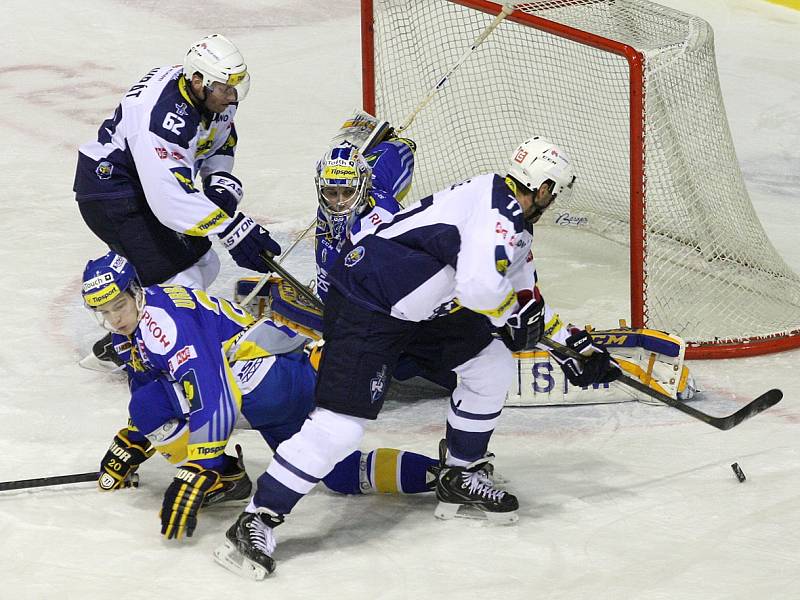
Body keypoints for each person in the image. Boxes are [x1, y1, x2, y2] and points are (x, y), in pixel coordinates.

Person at [215, 136, 622, 578]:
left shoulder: (508, 212)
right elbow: (481, 291)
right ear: (543, 188)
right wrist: (514, 319)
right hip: (366, 303)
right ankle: (258, 517)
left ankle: (460, 474)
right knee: (340, 427)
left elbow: (522, 291)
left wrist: (572, 343)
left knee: (491, 363)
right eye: (553, 190)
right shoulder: (498, 213)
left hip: (421, 312)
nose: (553, 198)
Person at [81, 252, 437, 542]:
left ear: (135, 291)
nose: (114, 319)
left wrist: (200, 466)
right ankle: (442, 474)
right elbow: (154, 382)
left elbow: (212, 394)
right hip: (280, 383)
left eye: (119, 306)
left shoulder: (162, 323)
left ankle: (224, 477)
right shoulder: (132, 327)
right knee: (338, 474)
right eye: (105, 312)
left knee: (148, 406)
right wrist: (134, 438)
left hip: (265, 381)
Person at [74, 33, 281, 369]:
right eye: (224, 88)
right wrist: (232, 228)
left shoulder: (207, 94)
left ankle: (126, 343)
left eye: (235, 88)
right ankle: (169, 358)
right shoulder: (163, 120)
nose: (231, 98)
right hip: (112, 193)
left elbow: (218, 141)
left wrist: (219, 181)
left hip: (142, 185)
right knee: (182, 282)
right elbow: (169, 202)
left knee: (204, 264)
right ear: (197, 80)